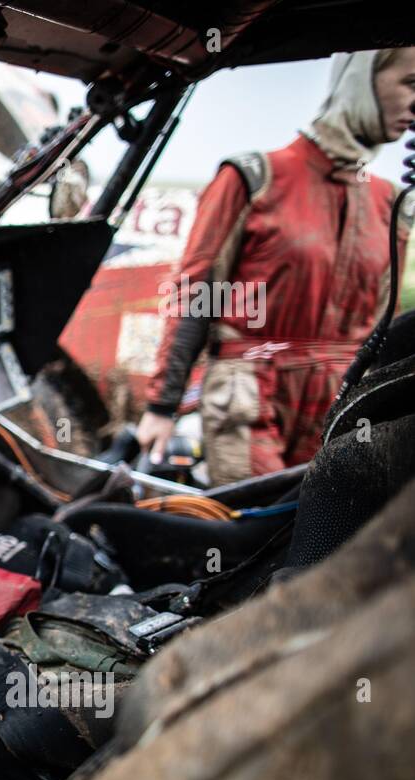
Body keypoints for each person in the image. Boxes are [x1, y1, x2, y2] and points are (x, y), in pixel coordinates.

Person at [137, 49, 415, 486]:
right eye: (411, 83)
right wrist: (161, 406)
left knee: (321, 539)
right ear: (361, 79)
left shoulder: (390, 204)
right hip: (247, 397)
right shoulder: (253, 176)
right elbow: (196, 292)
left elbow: (383, 327)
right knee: (261, 536)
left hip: (338, 404)